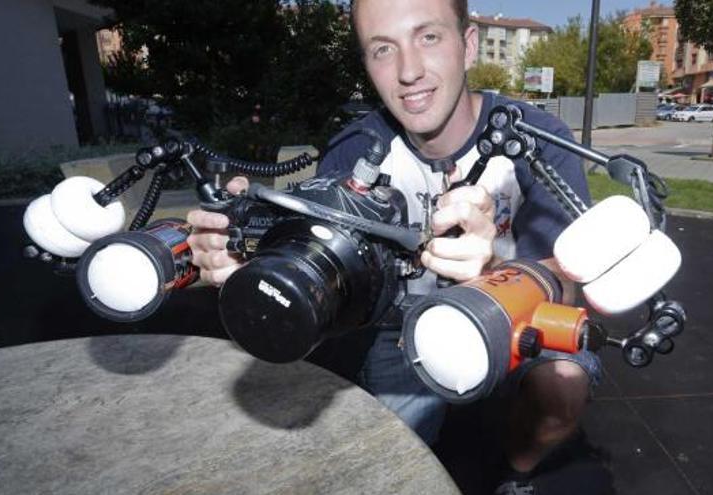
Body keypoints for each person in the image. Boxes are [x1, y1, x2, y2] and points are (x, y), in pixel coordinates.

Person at [187, 0, 602, 492]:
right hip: (398, 324)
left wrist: (493, 272)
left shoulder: (538, 140)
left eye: (428, 37)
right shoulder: (353, 147)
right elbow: (325, 262)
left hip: (517, 316)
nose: (408, 71)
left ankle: (517, 472)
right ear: (367, 66)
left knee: (563, 388)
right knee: (380, 459)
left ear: (467, 46)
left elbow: (575, 285)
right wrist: (257, 255)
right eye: (383, 49)